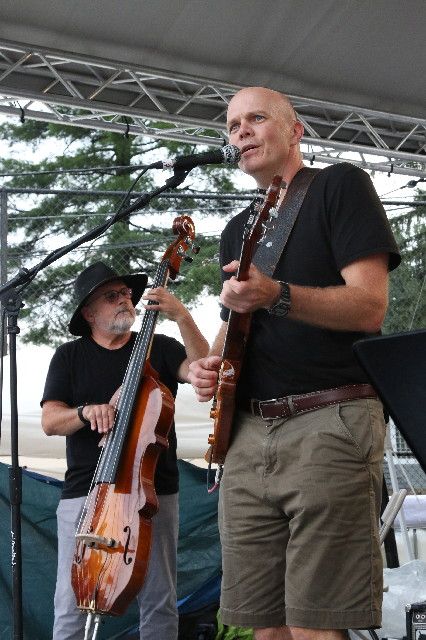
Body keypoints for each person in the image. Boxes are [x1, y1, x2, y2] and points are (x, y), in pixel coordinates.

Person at [188, 87, 401, 640]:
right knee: (263, 625)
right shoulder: (237, 230)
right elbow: (236, 319)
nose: (241, 131)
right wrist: (207, 365)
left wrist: (276, 294)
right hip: (246, 435)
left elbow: (370, 305)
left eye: (256, 118)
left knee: (315, 625)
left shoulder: (339, 185)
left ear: (295, 130)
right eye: (232, 125)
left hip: (328, 420)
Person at [41, 261, 209, 640]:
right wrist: (84, 412)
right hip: (87, 491)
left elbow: (204, 372)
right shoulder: (69, 356)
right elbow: (51, 421)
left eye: (126, 293)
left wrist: (182, 316)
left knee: (159, 599)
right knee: (72, 600)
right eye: (111, 296)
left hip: (151, 492)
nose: (124, 300)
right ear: (89, 313)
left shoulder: (160, 347)